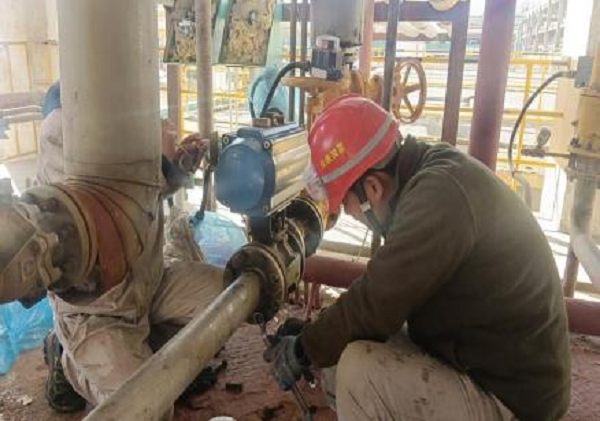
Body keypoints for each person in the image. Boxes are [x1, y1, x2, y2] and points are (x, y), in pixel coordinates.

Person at [264, 95, 571, 421]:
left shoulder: (439, 198)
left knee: (357, 371)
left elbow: (376, 302)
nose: (352, 216)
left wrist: (304, 348)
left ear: (373, 188)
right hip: (484, 360)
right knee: (336, 354)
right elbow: (379, 298)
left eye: (348, 208)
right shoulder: (429, 172)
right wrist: (313, 335)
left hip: (513, 399)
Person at [38, 82, 225, 416]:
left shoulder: (122, 110)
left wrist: (176, 166)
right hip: (96, 313)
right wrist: (160, 165)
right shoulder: (64, 133)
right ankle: (70, 361)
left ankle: (144, 356)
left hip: (149, 284)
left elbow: (140, 192)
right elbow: (99, 214)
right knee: (152, 409)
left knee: (226, 305)